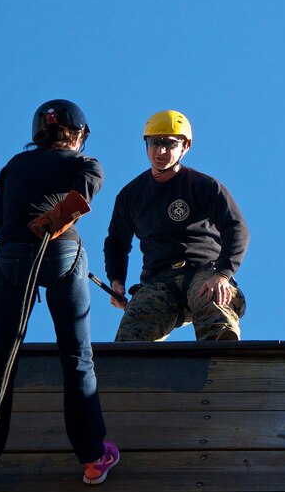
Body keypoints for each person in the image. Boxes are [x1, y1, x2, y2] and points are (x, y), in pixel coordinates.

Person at [0, 100, 119, 492]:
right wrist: (52, 221)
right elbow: (84, 195)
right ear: (79, 134)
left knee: (2, 358)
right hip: (62, 252)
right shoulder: (86, 163)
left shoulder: (13, 166)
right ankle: (92, 457)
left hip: (11, 257)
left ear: (38, 134)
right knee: (76, 356)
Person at [104, 110, 249, 342]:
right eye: (155, 143)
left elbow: (236, 227)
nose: (160, 151)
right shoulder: (131, 195)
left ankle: (223, 360)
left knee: (214, 303)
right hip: (158, 281)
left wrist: (223, 274)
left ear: (185, 146)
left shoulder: (203, 185)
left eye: (169, 144)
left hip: (203, 272)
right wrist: (116, 281)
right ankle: (132, 375)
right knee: (132, 332)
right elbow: (116, 242)